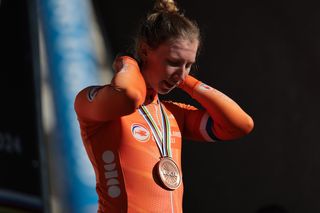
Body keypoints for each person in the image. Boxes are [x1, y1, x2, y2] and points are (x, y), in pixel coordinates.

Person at [74, 0, 254, 212]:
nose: (181, 74)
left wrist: (188, 82)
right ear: (144, 50)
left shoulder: (172, 115)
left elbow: (240, 125)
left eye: (188, 65)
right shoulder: (97, 102)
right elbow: (129, 96)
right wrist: (128, 62)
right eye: (173, 62)